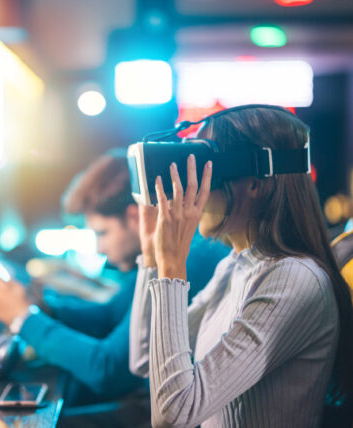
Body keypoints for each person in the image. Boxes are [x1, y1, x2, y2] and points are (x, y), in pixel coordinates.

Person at [129, 105, 353, 428]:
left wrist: (172, 264)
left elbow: (172, 415)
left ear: (254, 183)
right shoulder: (235, 267)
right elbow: (144, 359)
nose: (195, 192)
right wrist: (152, 257)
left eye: (206, 172)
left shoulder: (294, 280)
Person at [0, 150, 229, 410]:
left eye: (102, 233)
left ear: (136, 217)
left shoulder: (185, 258)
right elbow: (111, 315)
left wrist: (23, 319)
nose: (100, 249)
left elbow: (108, 371)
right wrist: (47, 309)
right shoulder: (178, 249)